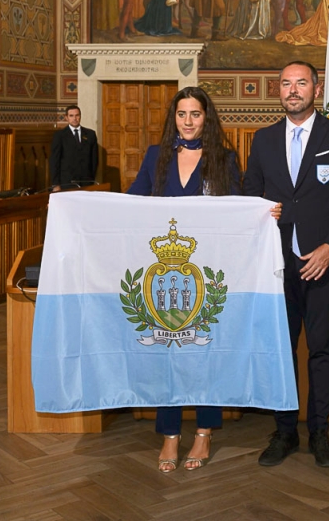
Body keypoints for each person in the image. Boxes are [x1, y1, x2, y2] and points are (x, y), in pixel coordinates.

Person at [243, 61, 329, 469]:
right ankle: (285, 431)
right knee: (281, 350)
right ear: (278, 90)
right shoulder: (263, 140)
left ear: (316, 88)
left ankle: (319, 433)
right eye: (285, 84)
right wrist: (261, 211)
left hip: (322, 263)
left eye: (301, 83)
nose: (292, 90)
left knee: (321, 349)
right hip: (275, 265)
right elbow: (250, 195)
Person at [126, 86, 252, 473]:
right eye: (182, 114)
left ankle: (203, 431)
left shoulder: (224, 158)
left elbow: (238, 209)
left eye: (195, 114)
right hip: (164, 275)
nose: (188, 121)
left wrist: (264, 215)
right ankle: (169, 434)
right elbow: (132, 203)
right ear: (174, 118)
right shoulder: (156, 156)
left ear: (206, 118)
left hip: (207, 273)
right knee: (167, 354)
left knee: (204, 351)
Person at [49, 105, 97, 189]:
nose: (74, 118)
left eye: (77, 115)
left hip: (86, 181)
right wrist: (55, 184)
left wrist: (91, 178)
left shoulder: (90, 134)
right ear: (66, 117)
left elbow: (94, 159)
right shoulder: (59, 136)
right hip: (67, 182)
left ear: (80, 116)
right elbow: (54, 161)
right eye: (71, 116)